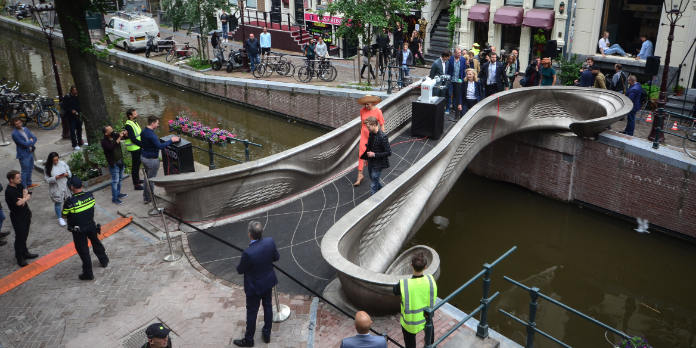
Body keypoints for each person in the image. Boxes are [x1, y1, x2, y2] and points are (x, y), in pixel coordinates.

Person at [233, 221, 280, 347]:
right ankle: (267, 334)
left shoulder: (248, 253)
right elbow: (276, 257)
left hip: (254, 287)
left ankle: (249, 340)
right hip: (268, 282)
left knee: (252, 312)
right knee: (268, 306)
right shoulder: (270, 242)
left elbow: (240, 270)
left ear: (250, 234)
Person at [62, 176, 108, 280]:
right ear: (81, 185)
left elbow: (64, 215)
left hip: (79, 230)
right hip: (91, 225)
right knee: (96, 242)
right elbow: (91, 206)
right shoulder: (90, 195)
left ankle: (88, 273)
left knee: (83, 251)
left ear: (72, 187)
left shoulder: (69, 202)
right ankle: (104, 260)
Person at [393, 252, 437, 348]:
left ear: (411, 265)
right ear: (425, 267)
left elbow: (395, 291)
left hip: (410, 322)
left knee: (410, 345)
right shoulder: (430, 280)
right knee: (430, 340)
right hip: (426, 318)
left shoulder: (404, 284)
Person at [140, 116, 180, 204]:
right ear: (153, 123)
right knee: (151, 180)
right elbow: (160, 146)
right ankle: (149, 198)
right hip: (152, 161)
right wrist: (171, 140)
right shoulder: (151, 135)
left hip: (144, 157)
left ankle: (146, 196)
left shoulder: (144, 131)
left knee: (147, 178)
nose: (158, 125)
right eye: (157, 123)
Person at [5, 170, 37, 267]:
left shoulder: (18, 185)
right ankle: (19, 258)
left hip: (26, 214)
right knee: (20, 238)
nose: (20, 179)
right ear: (11, 180)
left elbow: (26, 192)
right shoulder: (9, 191)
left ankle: (25, 252)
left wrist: (24, 198)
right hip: (18, 218)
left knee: (25, 235)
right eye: (18, 178)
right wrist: (25, 198)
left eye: (20, 177)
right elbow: (19, 203)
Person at [354, 95, 385, 187]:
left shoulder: (378, 111)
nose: (366, 106)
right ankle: (360, 175)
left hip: (374, 137)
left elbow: (382, 124)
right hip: (364, 135)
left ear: (372, 103)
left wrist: (382, 137)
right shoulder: (362, 110)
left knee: (372, 155)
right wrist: (361, 132)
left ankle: (374, 175)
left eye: (368, 104)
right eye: (365, 104)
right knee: (361, 154)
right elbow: (362, 123)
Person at [360, 116, 391, 195]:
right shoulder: (371, 134)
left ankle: (372, 202)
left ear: (374, 125)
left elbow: (389, 152)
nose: (367, 129)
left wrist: (374, 154)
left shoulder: (383, 136)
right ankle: (382, 189)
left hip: (379, 163)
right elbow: (369, 147)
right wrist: (366, 158)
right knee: (372, 177)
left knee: (373, 182)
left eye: (368, 127)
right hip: (371, 161)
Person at [101, 125, 128, 204]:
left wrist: (125, 134)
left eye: (112, 128)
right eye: (110, 130)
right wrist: (119, 138)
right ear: (106, 133)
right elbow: (111, 148)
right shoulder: (104, 142)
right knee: (115, 181)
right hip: (114, 163)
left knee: (120, 179)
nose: (112, 130)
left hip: (120, 161)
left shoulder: (115, 135)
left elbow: (125, 138)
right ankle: (114, 198)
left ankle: (118, 194)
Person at [43, 152, 71, 226]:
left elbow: (69, 171)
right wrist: (55, 178)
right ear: (50, 160)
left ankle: (66, 213)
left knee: (67, 200)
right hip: (55, 187)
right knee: (58, 203)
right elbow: (46, 180)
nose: (56, 162)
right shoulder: (47, 168)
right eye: (54, 160)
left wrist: (67, 174)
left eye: (57, 160)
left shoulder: (62, 163)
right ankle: (60, 218)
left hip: (65, 185)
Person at [11, 117, 39, 189]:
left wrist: (30, 141)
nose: (19, 125)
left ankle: (29, 183)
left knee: (30, 169)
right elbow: (24, 144)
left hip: (30, 152)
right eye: (16, 124)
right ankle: (24, 187)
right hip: (23, 154)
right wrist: (30, 141)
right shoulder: (14, 134)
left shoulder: (25, 129)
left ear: (21, 122)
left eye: (19, 123)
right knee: (24, 171)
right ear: (14, 125)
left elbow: (34, 138)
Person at [123, 108, 144, 191]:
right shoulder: (128, 125)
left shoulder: (134, 122)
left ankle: (137, 180)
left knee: (138, 164)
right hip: (134, 148)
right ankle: (136, 185)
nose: (136, 114)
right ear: (130, 116)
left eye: (136, 113)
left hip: (137, 147)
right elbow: (133, 139)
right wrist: (143, 145)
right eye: (134, 114)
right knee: (135, 167)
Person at [447, 48, 467, 118]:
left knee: (457, 95)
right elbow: (448, 69)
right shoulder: (450, 59)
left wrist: (463, 78)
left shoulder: (463, 59)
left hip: (459, 80)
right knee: (449, 94)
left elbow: (464, 69)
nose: (460, 54)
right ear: (454, 53)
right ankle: (448, 108)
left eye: (460, 53)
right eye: (458, 53)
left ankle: (455, 109)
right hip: (451, 80)